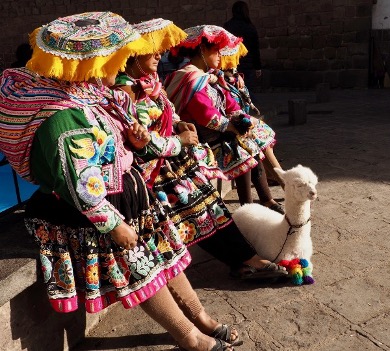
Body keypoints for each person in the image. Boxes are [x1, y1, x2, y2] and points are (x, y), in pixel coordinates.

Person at [0, 12, 241, 351]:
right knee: (143, 272)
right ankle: (190, 338)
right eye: (118, 56)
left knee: (164, 257)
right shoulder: (64, 116)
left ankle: (199, 318)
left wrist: (151, 142)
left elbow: (131, 138)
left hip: (128, 195)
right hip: (98, 210)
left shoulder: (92, 95)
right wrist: (113, 224)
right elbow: (80, 182)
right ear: (96, 61)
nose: (124, 62)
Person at [113, 18, 287, 281]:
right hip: (152, 170)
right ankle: (245, 255)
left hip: (174, 158)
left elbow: (170, 112)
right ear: (136, 53)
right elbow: (140, 140)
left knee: (209, 205)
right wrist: (181, 140)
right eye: (153, 48)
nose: (159, 54)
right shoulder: (124, 89)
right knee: (196, 206)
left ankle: (245, 256)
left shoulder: (152, 83)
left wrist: (181, 124)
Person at [164, 25, 284, 213]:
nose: (220, 56)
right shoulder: (191, 78)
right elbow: (207, 116)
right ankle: (248, 206)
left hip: (220, 132)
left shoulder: (210, 78)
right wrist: (234, 127)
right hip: (202, 137)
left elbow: (231, 105)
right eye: (216, 51)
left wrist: (244, 120)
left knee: (252, 134)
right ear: (202, 50)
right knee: (240, 147)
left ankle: (267, 198)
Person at [220, 42, 285, 188]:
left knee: (263, 134)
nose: (236, 61)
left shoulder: (234, 79)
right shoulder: (219, 82)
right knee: (259, 137)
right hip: (228, 126)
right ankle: (283, 181)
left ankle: (274, 176)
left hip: (239, 120)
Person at [223, 1, 262, 102]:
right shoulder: (250, 27)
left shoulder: (227, 26)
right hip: (247, 63)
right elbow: (255, 48)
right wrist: (258, 67)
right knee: (247, 87)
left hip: (232, 62)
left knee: (233, 87)